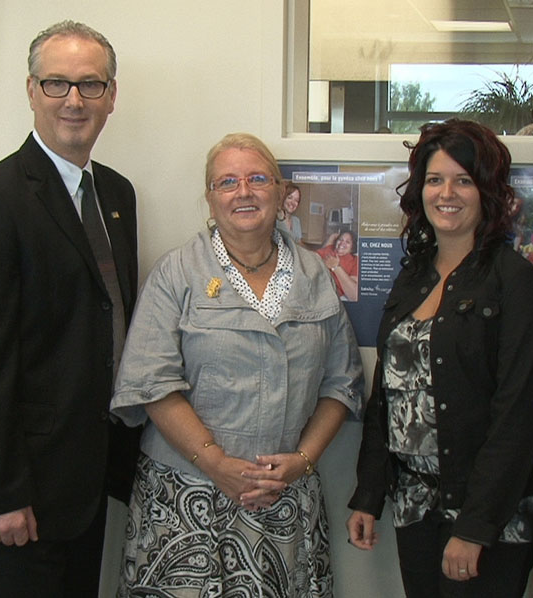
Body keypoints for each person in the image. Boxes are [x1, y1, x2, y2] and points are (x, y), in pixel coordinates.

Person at [110, 132, 364, 597]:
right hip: (186, 499)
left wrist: (302, 462)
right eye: (226, 182)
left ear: (282, 194)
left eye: (257, 178)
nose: (242, 191)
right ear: (210, 200)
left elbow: (341, 384)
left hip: (285, 498)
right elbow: (152, 383)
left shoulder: (316, 276)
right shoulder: (176, 273)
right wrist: (217, 463)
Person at [0, 20, 138, 598]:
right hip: (8, 503)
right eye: (57, 84)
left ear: (111, 95)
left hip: (81, 491)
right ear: (31, 91)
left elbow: (104, 327)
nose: (74, 100)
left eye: (90, 85)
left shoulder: (116, 195)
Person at [346, 119, 533, 597]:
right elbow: (386, 397)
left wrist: (475, 528)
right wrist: (369, 495)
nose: (446, 193)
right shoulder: (412, 276)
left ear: (487, 191)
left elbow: (518, 413)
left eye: (463, 180)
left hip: (488, 516)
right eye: (435, 180)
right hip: (415, 506)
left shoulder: (512, 279)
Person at [317, 229, 359, 301]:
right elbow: (311, 259)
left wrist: (335, 267)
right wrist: (330, 239)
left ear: (352, 248)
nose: (342, 243)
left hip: (330, 297)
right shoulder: (329, 249)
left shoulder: (355, 261)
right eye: (340, 240)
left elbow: (354, 296)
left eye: (347, 242)